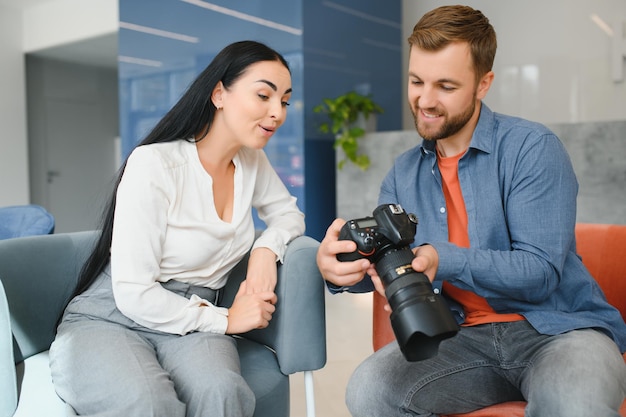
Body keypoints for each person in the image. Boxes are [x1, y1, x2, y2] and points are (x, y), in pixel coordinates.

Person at [317, 5, 626, 417]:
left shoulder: (532, 148)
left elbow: (540, 274)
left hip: (559, 331)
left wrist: (444, 258)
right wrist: (342, 271)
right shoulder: (402, 174)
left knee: (575, 402)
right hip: (459, 339)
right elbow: (397, 264)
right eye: (416, 81)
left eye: (445, 86)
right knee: (369, 389)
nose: (425, 100)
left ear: (483, 84)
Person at [49, 40, 305, 417]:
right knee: (149, 404)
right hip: (111, 315)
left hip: (194, 311)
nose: (277, 113)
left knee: (223, 393)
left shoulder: (252, 161)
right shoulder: (155, 163)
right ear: (219, 93)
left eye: (283, 100)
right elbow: (134, 292)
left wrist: (266, 250)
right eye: (264, 95)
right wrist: (227, 319)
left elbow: (289, 215)